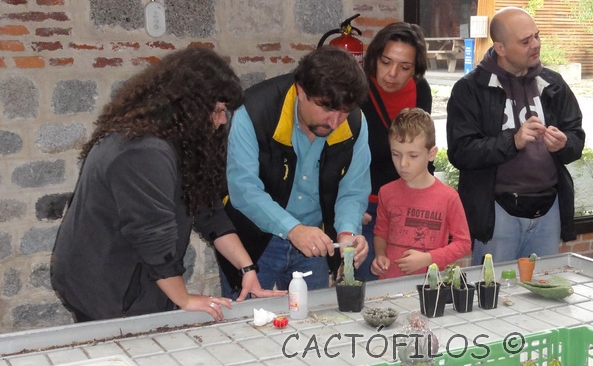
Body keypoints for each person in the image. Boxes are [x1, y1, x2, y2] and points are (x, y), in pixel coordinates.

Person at [51, 47, 285, 322]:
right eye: (219, 110)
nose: (223, 121)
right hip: (107, 284)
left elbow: (208, 211)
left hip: (133, 278)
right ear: (189, 107)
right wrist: (184, 299)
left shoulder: (177, 142)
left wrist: (247, 268)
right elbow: (153, 240)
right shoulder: (143, 150)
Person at [219, 46, 370, 293]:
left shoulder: (355, 123)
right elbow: (244, 190)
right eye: (327, 108)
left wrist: (347, 233)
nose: (335, 122)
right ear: (301, 91)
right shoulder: (255, 111)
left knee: (314, 314)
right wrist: (293, 229)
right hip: (255, 239)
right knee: (247, 314)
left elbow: (353, 190)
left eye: (344, 112)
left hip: (316, 242)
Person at [446, 6, 585, 264]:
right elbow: (461, 151)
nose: (536, 44)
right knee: (494, 286)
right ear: (500, 48)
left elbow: (576, 135)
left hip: (549, 208)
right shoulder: (471, 89)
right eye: (525, 41)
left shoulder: (553, 84)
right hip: (497, 211)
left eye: (537, 36)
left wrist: (565, 144)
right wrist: (513, 141)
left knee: (544, 285)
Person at [358, 22, 432, 279]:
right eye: (386, 62)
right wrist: (347, 206)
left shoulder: (420, 90)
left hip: (409, 207)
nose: (392, 74)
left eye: (404, 67)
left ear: (415, 69)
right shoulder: (357, 90)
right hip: (367, 209)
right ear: (375, 58)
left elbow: (422, 148)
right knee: (368, 287)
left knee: (409, 286)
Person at [370, 108, 470, 279]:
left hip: (430, 285)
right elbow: (380, 233)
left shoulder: (448, 197)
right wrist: (379, 256)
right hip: (389, 283)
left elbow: (463, 243)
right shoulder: (386, 192)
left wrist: (428, 259)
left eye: (413, 155)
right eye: (396, 154)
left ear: (431, 154)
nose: (403, 163)